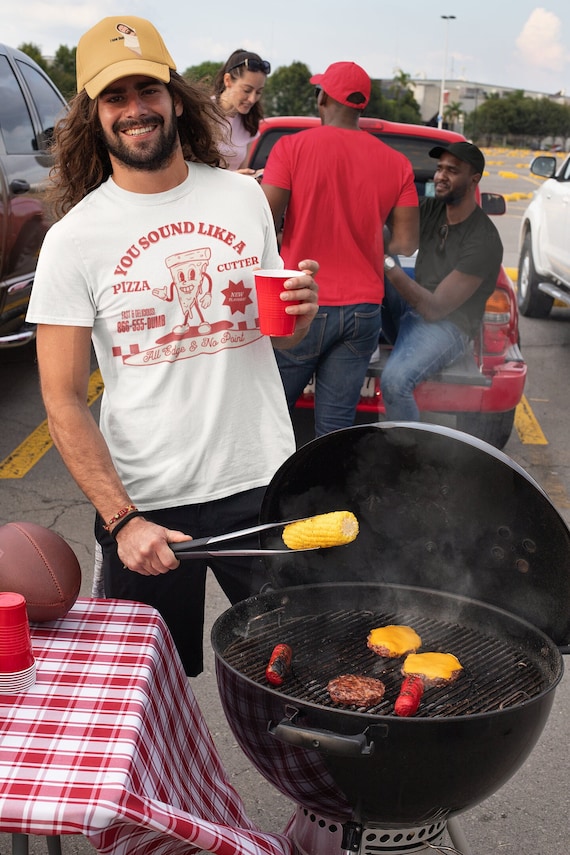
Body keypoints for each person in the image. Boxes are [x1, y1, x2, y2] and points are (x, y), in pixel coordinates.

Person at [26, 15, 318, 677]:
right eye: (114, 97)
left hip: (262, 482)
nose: (135, 109)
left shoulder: (244, 201)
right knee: (147, 689)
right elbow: (63, 401)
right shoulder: (75, 239)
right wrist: (121, 517)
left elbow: (278, 329)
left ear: (175, 96)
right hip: (148, 500)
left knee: (297, 671)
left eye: (146, 90)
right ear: (93, 114)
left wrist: (301, 313)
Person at [261, 62, 419, 437]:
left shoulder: (291, 148)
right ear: (361, 106)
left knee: (270, 416)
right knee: (335, 429)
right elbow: (406, 243)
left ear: (323, 99)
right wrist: (365, 236)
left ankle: (266, 493)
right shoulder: (397, 164)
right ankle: (326, 494)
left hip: (303, 304)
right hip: (364, 311)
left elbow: (263, 219)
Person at [380, 141, 503, 421]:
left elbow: (435, 309)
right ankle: (350, 337)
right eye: (438, 169)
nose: (440, 176)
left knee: (395, 383)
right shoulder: (432, 209)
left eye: (451, 170)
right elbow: (389, 226)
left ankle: (406, 459)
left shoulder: (483, 240)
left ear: (474, 180)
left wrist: (384, 261)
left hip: (448, 326)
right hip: (411, 311)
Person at [212, 49, 270, 173]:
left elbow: (242, 171)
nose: (252, 99)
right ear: (227, 80)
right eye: (247, 90)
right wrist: (234, 177)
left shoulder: (250, 122)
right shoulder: (202, 113)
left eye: (259, 92)